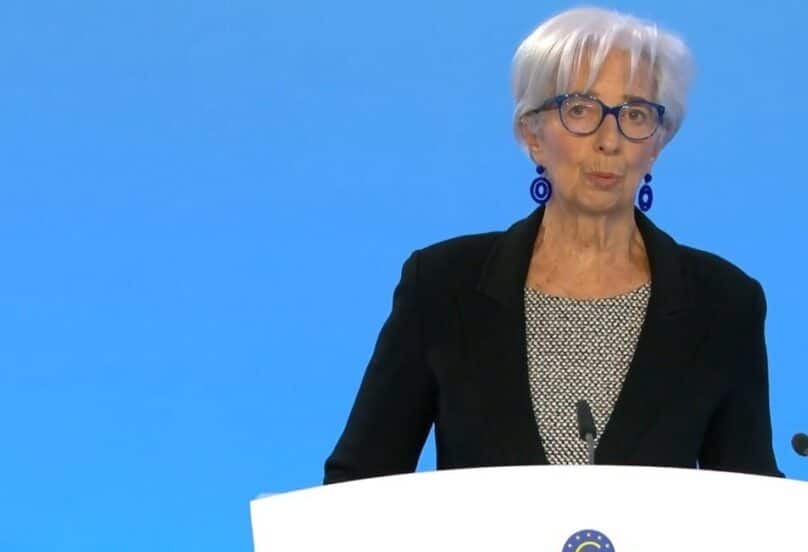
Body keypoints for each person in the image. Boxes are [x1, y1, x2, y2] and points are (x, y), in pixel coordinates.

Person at [324, 6, 782, 483]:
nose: (609, 140)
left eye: (635, 114)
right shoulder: (441, 286)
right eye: (580, 109)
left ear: (658, 143)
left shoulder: (724, 303)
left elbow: (752, 499)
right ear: (532, 133)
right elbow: (358, 481)